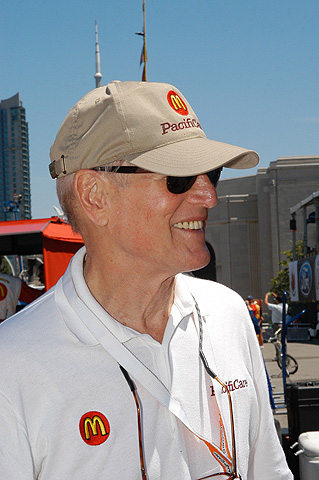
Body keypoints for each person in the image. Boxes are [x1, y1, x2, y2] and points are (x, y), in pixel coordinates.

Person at [0, 81, 292, 479]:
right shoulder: (12, 367)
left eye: (211, 173)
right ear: (94, 196)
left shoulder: (228, 314)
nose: (209, 196)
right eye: (180, 177)